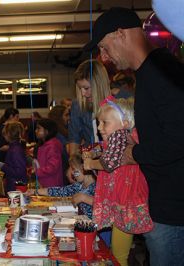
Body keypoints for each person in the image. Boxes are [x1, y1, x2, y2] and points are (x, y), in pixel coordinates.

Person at [83, 7, 184, 265]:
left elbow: (178, 137)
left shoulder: (162, 71)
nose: (104, 57)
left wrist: (134, 153)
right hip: (163, 206)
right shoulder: (149, 72)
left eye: (105, 48)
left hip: (173, 211)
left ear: (120, 34)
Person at [83, 97, 153, 266]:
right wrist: (92, 154)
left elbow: (109, 163)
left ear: (125, 123)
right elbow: (103, 148)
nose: (99, 128)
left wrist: (91, 163)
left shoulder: (122, 136)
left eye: (104, 123)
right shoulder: (116, 139)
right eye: (99, 123)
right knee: (118, 253)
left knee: (119, 256)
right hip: (121, 205)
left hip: (127, 204)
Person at [27, 154, 95, 219]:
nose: (72, 173)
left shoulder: (96, 187)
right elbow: (60, 191)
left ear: (83, 168)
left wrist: (84, 198)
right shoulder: (79, 185)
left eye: (74, 169)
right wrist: (35, 191)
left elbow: (103, 205)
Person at [68, 59, 111, 156]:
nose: (83, 93)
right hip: (90, 158)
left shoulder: (117, 104)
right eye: (80, 88)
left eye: (86, 88)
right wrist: (73, 162)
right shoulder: (77, 105)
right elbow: (74, 138)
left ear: (98, 85)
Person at [0, 121, 26, 192]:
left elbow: (19, 172)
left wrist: (3, 166)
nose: (3, 136)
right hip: (13, 184)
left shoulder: (15, 150)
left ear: (9, 134)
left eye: (5, 134)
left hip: (16, 187)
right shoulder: (13, 147)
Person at [32, 119, 63, 188]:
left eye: (38, 128)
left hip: (52, 184)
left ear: (47, 131)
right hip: (45, 182)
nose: (35, 131)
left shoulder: (52, 146)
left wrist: (37, 172)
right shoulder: (45, 145)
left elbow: (53, 167)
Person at [48, 105, 70, 185]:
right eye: (66, 115)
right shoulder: (58, 134)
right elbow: (68, 152)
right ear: (58, 117)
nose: (68, 118)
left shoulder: (63, 130)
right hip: (62, 171)